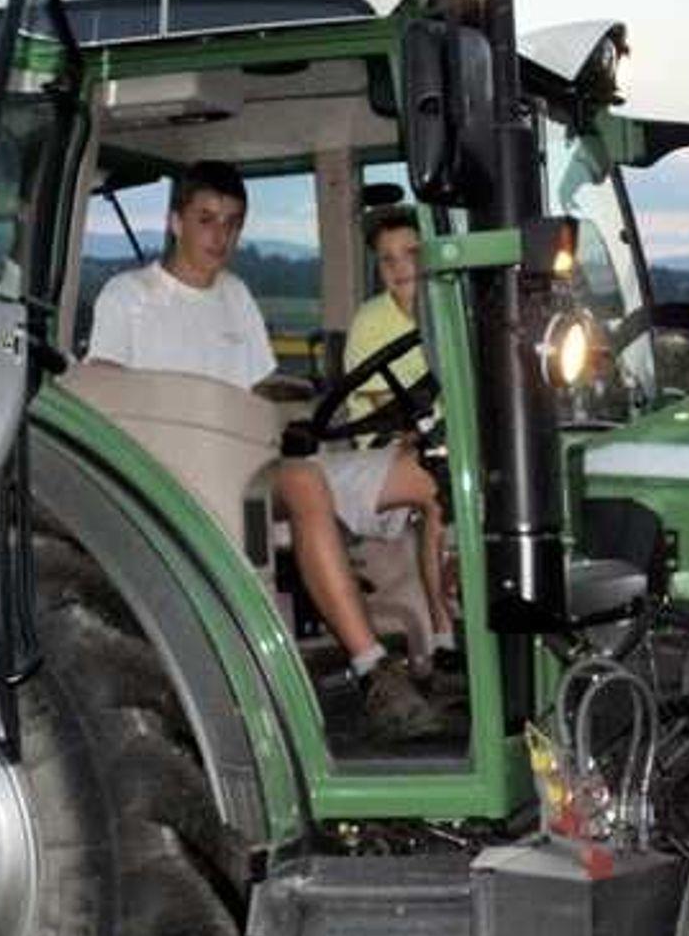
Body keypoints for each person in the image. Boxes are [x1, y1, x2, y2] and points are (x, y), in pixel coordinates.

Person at [85, 161, 447, 741]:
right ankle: (373, 668)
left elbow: (259, 391)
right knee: (304, 480)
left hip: (256, 458)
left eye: (231, 223)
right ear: (176, 221)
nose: (219, 236)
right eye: (206, 219)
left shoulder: (236, 296)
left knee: (431, 473)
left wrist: (311, 405)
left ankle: (445, 648)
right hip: (180, 474)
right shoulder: (129, 297)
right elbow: (103, 391)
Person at [326, 206, 460, 681]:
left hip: (444, 445)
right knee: (438, 481)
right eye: (388, 260)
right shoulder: (371, 322)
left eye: (411, 253)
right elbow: (382, 406)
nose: (401, 267)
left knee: (457, 470)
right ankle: (445, 636)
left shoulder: (452, 314)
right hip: (384, 450)